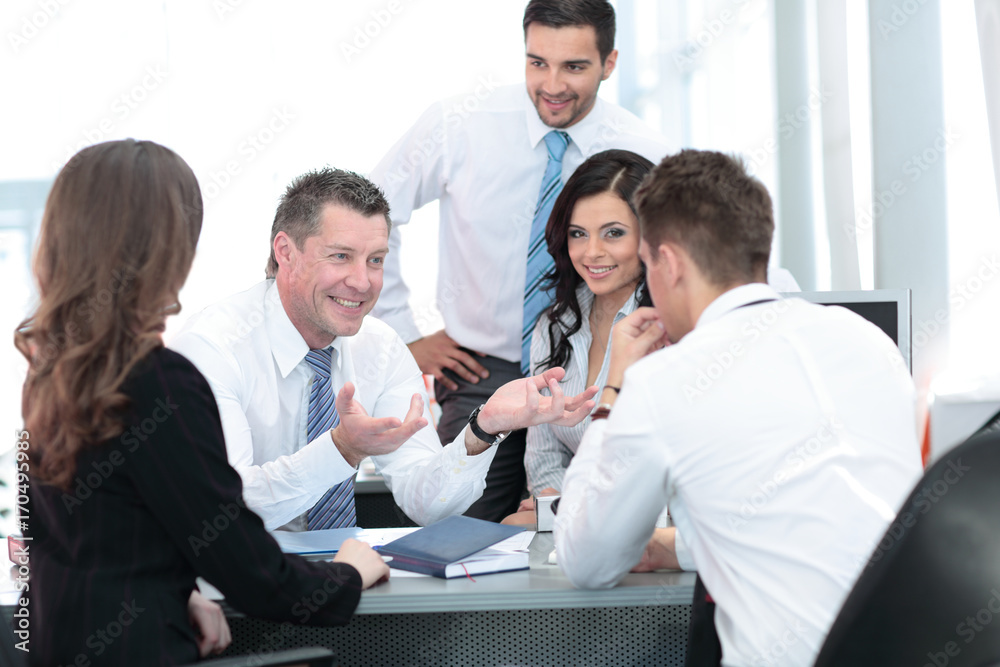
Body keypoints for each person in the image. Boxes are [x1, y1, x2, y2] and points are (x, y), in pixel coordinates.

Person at [16, 140, 391, 666]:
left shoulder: (53, 371)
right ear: (167, 248)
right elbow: (253, 574)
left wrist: (176, 592)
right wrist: (349, 573)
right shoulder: (156, 382)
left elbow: (80, 539)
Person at [554, 149, 923, 667]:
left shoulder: (666, 380)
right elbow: (831, 523)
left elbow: (587, 561)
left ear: (670, 264)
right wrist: (678, 548)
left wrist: (615, 390)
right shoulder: (867, 340)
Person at [370, 0, 672, 522]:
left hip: (589, 361)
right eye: (538, 62)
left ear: (610, 62)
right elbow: (372, 209)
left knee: (584, 525)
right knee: (463, 528)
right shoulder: (458, 123)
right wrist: (405, 334)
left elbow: (678, 256)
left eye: (574, 66)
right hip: (482, 371)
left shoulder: (643, 150)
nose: (552, 84)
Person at [171, 167, 597, 533]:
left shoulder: (380, 346)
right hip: (232, 596)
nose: (362, 282)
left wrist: (483, 429)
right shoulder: (212, 348)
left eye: (375, 260)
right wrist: (341, 450)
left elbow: (426, 503)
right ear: (286, 252)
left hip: (347, 584)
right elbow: (227, 508)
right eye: (341, 256)